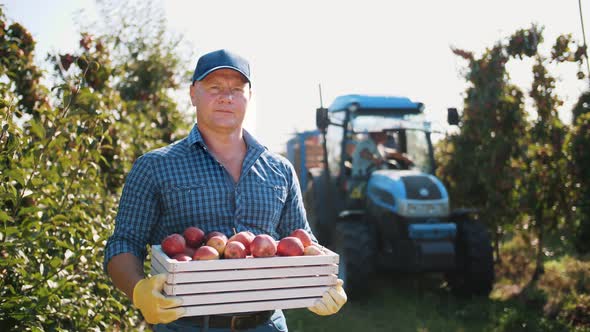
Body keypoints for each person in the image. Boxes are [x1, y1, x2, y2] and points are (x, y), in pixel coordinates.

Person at [104, 49, 347, 331]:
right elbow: (123, 243)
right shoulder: (154, 167)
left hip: (267, 324)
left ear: (249, 97)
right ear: (193, 93)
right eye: (214, 87)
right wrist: (138, 291)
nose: (226, 97)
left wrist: (320, 280)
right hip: (187, 325)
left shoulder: (279, 170)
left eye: (236, 89)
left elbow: (302, 242)